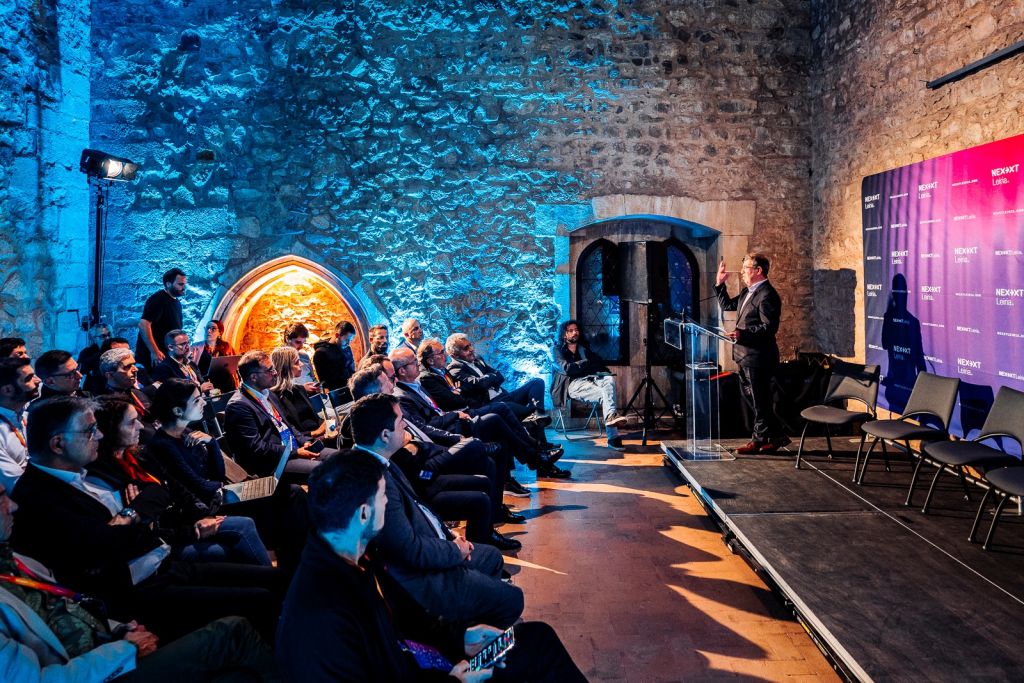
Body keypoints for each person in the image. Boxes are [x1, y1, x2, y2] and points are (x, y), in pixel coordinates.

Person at [276, 449, 586, 683]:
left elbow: (405, 623)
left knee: (535, 638)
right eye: (382, 497)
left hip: (430, 660)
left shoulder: (353, 556)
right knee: (539, 653)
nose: (388, 504)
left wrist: (460, 637)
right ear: (363, 513)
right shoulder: (321, 614)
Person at [9, 396, 284, 642]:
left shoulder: (79, 473)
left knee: (276, 578)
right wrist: (140, 520)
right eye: (90, 431)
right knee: (261, 598)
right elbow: (108, 549)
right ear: (58, 443)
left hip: (161, 563)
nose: (100, 435)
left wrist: (130, 515)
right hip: (138, 591)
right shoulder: (39, 497)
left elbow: (157, 494)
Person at [0, 483, 281, 682]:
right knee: (234, 630)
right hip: (103, 663)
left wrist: (119, 629)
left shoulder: (11, 558)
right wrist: (125, 649)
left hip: (116, 627)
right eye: (1, 497)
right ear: (58, 442)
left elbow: (72, 605)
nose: (12, 506)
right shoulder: (43, 500)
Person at [344, 394, 523, 628]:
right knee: (514, 599)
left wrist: (449, 535)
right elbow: (410, 550)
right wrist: (454, 550)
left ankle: (473, 617)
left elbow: (418, 507)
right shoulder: (373, 482)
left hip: (433, 542)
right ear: (385, 435)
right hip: (425, 578)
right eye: (400, 421)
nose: (406, 425)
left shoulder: (379, 460)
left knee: (491, 557)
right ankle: (464, 633)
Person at [121, 386, 272, 566]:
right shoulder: (163, 445)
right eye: (196, 400)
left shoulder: (187, 433)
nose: (203, 403)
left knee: (280, 490)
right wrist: (218, 486)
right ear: (178, 411)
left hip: (215, 495)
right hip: (205, 505)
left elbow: (217, 474)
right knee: (272, 501)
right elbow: (199, 486)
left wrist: (212, 443)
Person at [715, 252, 788, 454]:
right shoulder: (748, 292)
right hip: (744, 356)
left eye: (745, 268)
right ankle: (777, 436)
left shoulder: (767, 295)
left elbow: (769, 328)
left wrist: (743, 334)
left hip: (758, 358)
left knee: (760, 401)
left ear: (758, 270)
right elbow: (728, 305)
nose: (742, 272)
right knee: (756, 401)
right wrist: (720, 284)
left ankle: (758, 440)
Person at [225, 351, 335, 480]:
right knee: (326, 471)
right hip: (273, 462)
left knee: (339, 458)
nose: (275, 373)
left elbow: (288, 426)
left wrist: (305, 442)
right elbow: (256, 448)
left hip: (291, 449)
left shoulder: (268, 393)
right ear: (253, 377)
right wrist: (295, 452)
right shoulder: (239, 406)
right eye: (270, 370)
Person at [552, 320, 627, 450]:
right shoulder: (557, 350)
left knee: (609, 379)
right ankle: (613, 437)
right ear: (564, 334)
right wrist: (586, 362)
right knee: (606, 394)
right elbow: (567, 368)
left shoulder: (583, 349)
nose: (575, 332)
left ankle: (610, 417)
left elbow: (597, 363)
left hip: (589, 379)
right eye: (571, 330)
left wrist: (600, 371)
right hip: (571, 384)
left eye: (576, 330)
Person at [446, 334, 544, 420]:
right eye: (466, 348)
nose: (471, 349)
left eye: (470, 345)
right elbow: (480, 385)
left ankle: (537, 414)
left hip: (505, 396)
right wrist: (491, 376)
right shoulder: (454, 369)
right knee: (531, 414)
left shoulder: (477, 359)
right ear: (455, 355)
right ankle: (535, 417)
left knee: (537, 382)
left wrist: (488, 378)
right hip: (492, 404)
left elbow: (500, 376)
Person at [271, 346, 330, 437]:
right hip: (306, 440)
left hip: (320, 434)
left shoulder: (299, 389)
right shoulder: (274, 397)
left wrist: (328, 426)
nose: (301, 364)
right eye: (297, 362)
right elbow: (288, 431)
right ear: (285, 367)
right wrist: (316, 433)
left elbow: (315, 418)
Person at [0, 357, 40, 491]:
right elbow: (18, 486)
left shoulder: (27, 416)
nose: (38, 381)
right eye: (29, 378)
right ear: (7, 390)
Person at [136, 268, 186, 370]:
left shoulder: (177, 302)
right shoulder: (158, 299)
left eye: (184, 284)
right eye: (180, 284)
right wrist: (154, 351)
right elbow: (143, 324)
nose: (184, 287)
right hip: (155, 358)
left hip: (166, 356)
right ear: (168, 284)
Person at [149, 330, 213, 392]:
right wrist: (199, 390)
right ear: (171, 347)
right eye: (183, 344)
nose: (188, 347)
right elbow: (172, 394)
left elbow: (202, 382)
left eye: (188, 343)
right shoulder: (164, 368)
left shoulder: (191, 363)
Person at [312, 320, 357, 392]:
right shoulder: (321, 353)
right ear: (337, 335)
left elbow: (352, 370)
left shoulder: (347, 348)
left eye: (350, 340)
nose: (348, 343)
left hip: (352, 388)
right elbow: (325, 383)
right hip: (338, 393)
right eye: (346, 340)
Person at [282, 323, 319, 390]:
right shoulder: (278, 359)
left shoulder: (304, 356)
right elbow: (279, 386)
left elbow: (313, 378)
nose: (301, 346)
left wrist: (317, 386)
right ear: (287, 339)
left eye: (303, 342)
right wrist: (303, 389)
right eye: (298, 342)